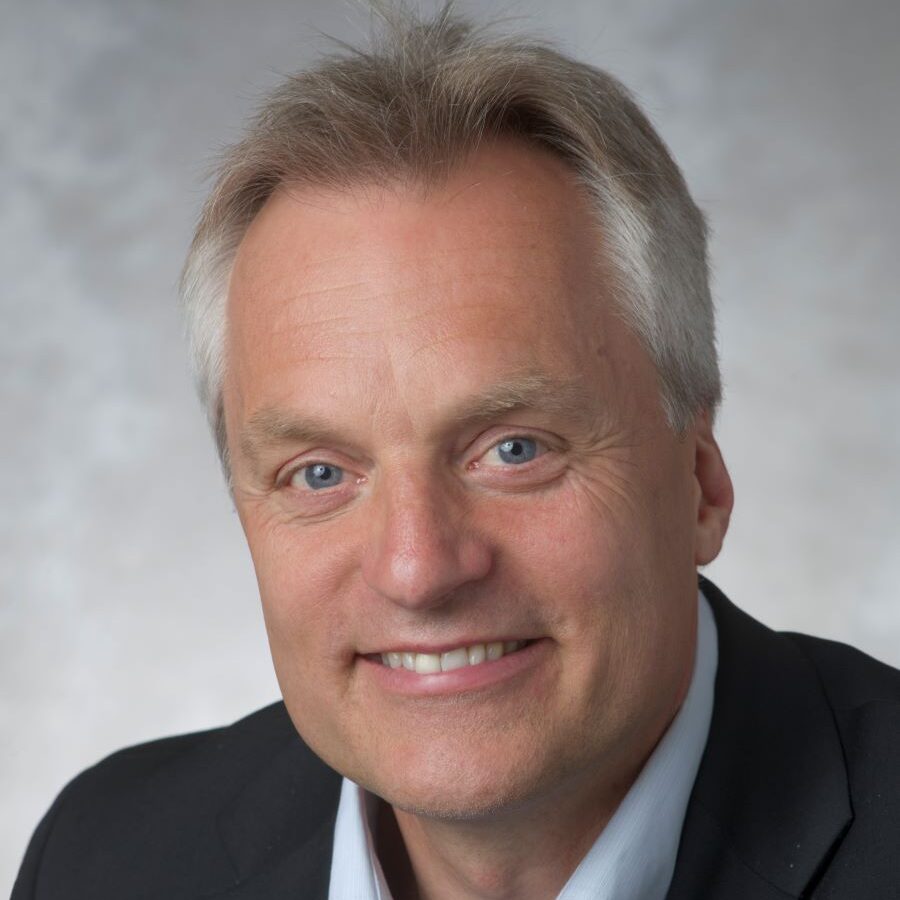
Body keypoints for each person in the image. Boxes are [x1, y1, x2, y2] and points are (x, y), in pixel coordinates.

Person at [13, 7, 900, 899]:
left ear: (701, 481)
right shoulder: (107, 858)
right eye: (320, 473)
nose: (418, 570)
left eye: (514, 449)